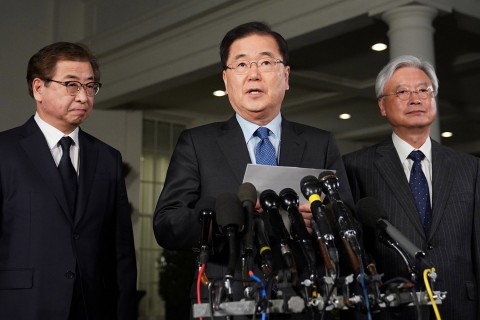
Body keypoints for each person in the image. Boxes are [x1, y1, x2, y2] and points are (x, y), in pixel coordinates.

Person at [153, 21, 356, 319]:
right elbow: (167, 225)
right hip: (230, 299)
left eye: (265, 62)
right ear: (226, 79)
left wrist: (322, 222)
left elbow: (349, 220)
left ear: (286, 76)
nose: (253, 74)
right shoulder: (198, 143)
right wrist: (227, 221)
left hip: (307, 297)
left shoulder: (320, 143)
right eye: (242, 64)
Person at [0, 42, 137, 319]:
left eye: (90, 86)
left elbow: (121, 253)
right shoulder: (5, 151)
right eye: (71, 85)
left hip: (94, 307)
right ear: (39, 88)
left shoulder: (107, 158)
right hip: (22, 307)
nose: (83, 97)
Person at [343, 55, 480, 319]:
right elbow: (356, 251)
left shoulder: (470, 168)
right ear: (382, 106)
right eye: (402, 92)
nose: (415, 99)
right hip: (393, 308)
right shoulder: (355, 167)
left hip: (460, 306)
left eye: (423, 90)